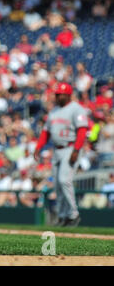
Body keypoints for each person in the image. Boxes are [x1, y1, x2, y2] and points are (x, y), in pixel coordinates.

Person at [33, 82, 89, 227]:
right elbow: (46, 132)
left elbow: (82, 131)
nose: (57, 96)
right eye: (56, 94)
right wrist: (39, 147)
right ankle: (64, 216)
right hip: (57, 150)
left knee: (65, 180)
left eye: (60, 94)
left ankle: (73, 214)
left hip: (70, 148)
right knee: (57, 185)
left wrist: (76, 150)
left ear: (68, 94)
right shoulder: (54, 111)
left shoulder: (77, 109)